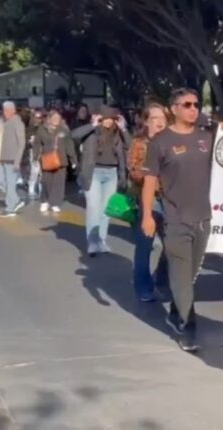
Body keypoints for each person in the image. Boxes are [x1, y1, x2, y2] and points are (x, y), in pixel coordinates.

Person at [141, 88, 213, 352]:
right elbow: (149, 181)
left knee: (189, 277)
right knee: (182, 278)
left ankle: (175, 312)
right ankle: (188, 326)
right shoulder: (160, 142)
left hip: (203, 220)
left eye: (196, 104)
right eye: (187, 104)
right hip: (175, 221)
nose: (193, 109)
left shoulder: (207, 137)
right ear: (174, 109)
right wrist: (147, 215)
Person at [73, 106, 129, 256]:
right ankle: (92, 242)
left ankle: (101, 240)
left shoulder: (118, 133)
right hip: (93, 173)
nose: (108, 121)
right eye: (105, 118)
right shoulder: (91, 132)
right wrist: (92, 124)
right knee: (93, 207)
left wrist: (124, 129)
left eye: (112, 118)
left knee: (105, 210)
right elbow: (74, 136)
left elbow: (130, 146)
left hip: (112, 174)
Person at [128, 103, 169, 303]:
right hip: (148, 199)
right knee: (145, 245)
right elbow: (134, 171)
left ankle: (160, 280)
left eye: (163, 118)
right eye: (155, 118)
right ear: (146, 121)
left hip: (170, 200)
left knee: (172, 246)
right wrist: (152, 175)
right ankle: (143, 286)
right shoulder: (140, 143)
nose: (160, 122)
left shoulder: (172, 141)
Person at [33, 110, 77, 214]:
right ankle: (45, 201)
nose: (56, 120)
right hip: (47, 159)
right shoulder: (42, 130)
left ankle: (55, 203)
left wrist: (73, 159)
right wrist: (35, 157)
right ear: (49, 118)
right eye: (54, 118)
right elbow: (37, 143)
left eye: (58, 118)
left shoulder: (63, 130)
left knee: (59, 183)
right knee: (46, 182)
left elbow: (69, 146)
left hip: (61, 160)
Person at [0, 102, 26, 217]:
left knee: (10, 184)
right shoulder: (7, 123)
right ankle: (15, 199)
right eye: (4, 110)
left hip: (12, 159)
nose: (4, 112)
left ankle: (10, 207)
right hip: (3, 158)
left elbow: (22, 143)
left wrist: (17, 160)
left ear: (12, 110)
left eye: (6, 110)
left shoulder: (18, 123)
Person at [26, 110, 45, 200]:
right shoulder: (29, 129)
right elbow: (24, 139)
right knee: (35, 170)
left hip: (44, 151)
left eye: (40, 118)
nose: (38, 120)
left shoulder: (44, 128)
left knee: (43, 172)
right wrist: (29, 141)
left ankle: (41, 189)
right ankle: (31, 188)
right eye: (36, 117)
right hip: (33, 151)